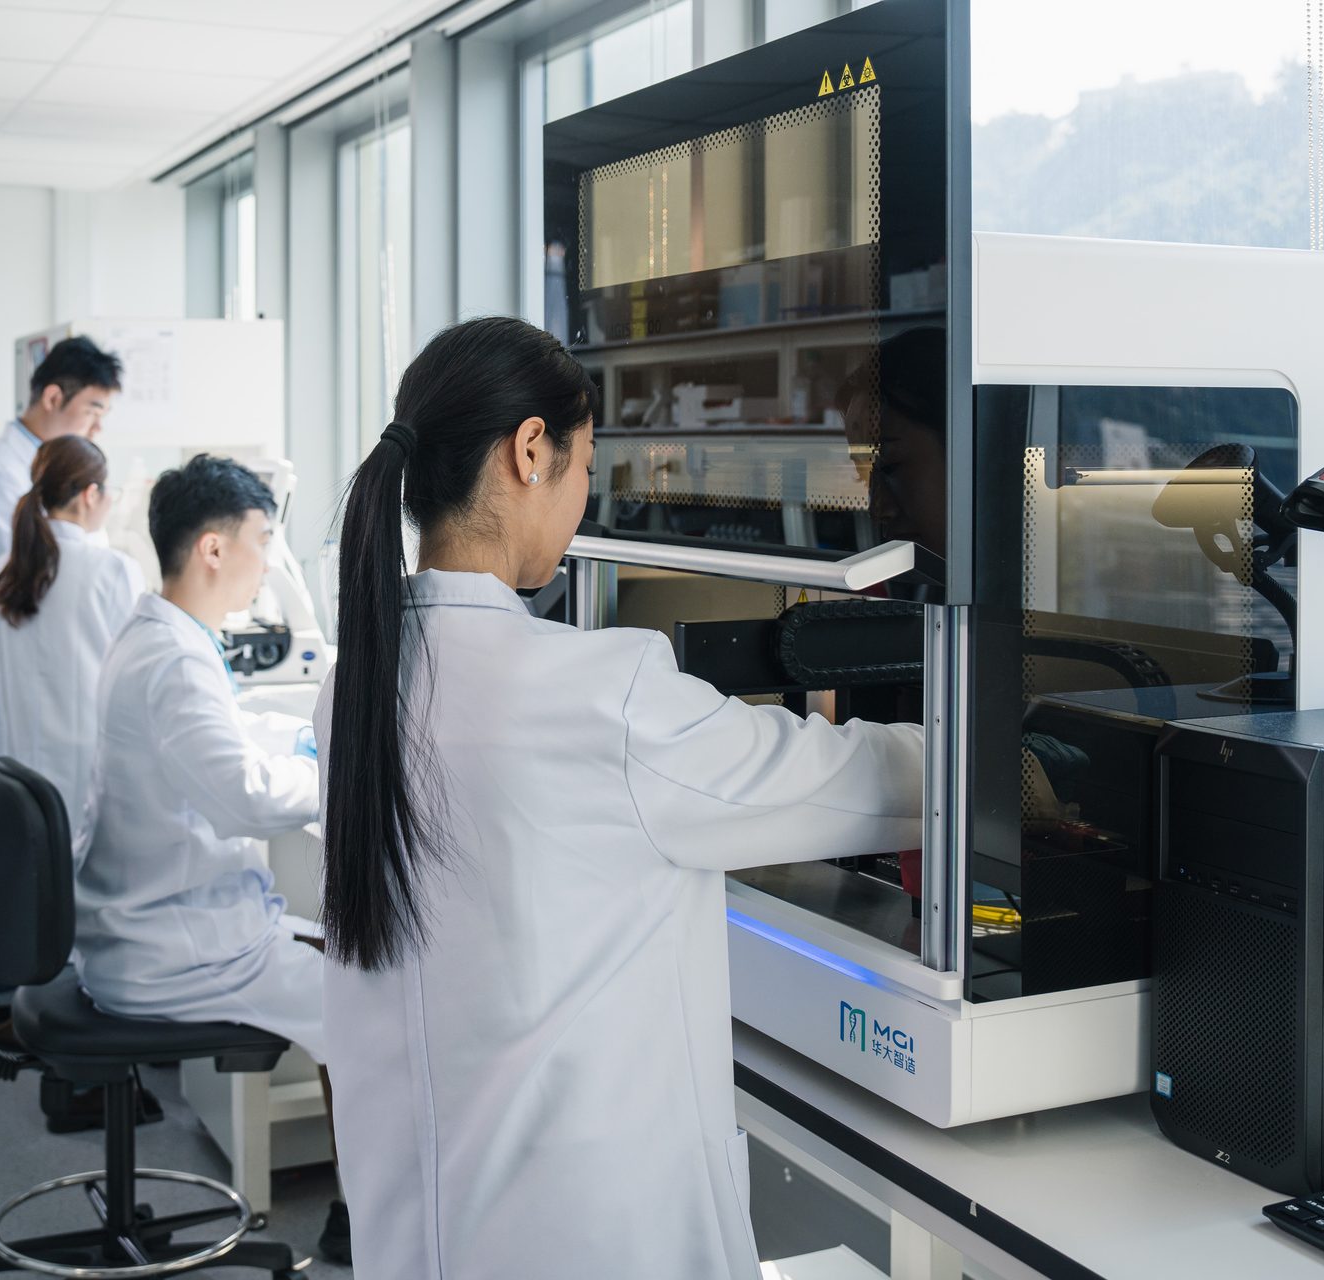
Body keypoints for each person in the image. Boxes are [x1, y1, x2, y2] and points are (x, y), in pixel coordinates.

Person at [315, 316, 925, 1279]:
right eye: (586, 460)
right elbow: (848, 781)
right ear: (529, 451)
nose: (586, 494)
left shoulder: (356, 686)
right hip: (581, 1238)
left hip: (418, 1233)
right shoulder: (602, 694)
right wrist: (1002, 758)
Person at [73, 453, 348, 1263]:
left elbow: (213, 740)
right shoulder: (174, 660)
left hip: (150, 925)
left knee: (344, 964)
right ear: (214, 550)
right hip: (176, 950)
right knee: (370, 1001)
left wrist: (293, 739)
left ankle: (361, 1195)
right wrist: (336, 772)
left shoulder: (158, 634)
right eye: (263, 539)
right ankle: (366, 1210)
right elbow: (246, 799)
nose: (269, 561)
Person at [0, 336, 121, 849]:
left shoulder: (36, 468)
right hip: (18, 679)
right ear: (51, 398)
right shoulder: (0, 476)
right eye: (93, 408)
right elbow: (43, 578)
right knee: (21, 844)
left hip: (40, 678)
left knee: (34, 843)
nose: (97, 425)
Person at [0, 436, 145, 831]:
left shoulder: (4, 572)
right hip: (91, 772)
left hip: (21, 769)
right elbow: (135, 675)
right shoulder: (111, 571)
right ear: (91, 494)